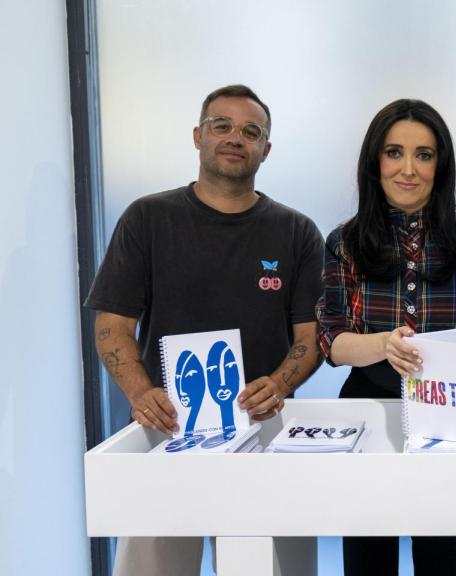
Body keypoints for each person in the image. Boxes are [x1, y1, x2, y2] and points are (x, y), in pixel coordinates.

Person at [85, 84, 324, 575]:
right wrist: (140, 393)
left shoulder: (297, 232)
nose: (235, 137)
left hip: (266, 434)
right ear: (198, 136)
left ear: (267, 149)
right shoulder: (147, 219)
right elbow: (112, 324)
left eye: (251, 131)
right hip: (165, 432)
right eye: (222, 126)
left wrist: (278, 385)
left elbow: (311, 337)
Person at [315, 98, 456, 576]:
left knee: (444, 560)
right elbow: (332, 341)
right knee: (367, 561)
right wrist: (382, 345)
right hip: (367, 408)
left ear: (440, 166)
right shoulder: (344, 241)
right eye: (394, 153)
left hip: (448, 411)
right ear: (374, 162)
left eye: (424, 155)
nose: (409, 169)